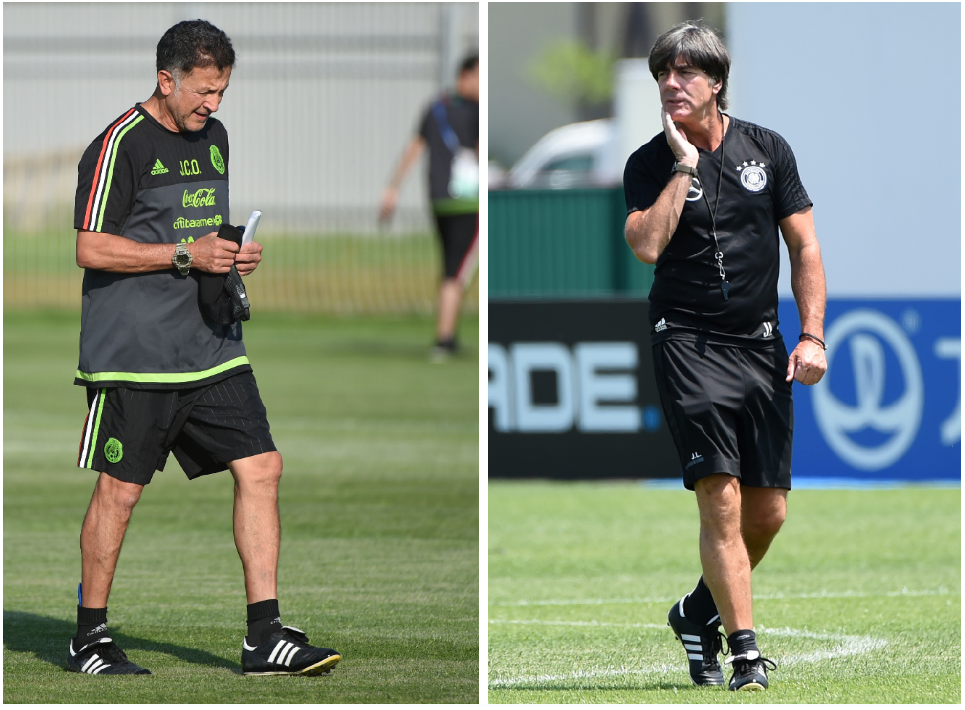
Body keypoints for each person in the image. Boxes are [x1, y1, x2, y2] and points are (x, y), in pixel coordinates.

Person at [70, 19, 340, 677]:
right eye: (204, 90)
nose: (213, 105)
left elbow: (194, 229)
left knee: (263, 467)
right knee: (120, 493)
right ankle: (89, 637)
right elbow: (90, 246)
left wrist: (228, 254)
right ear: (167, 79)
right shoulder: (117, 146)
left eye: (221, 91)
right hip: (133, 355)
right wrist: (186, 253)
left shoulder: (214, 138)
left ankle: (263, 635)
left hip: (212, 346)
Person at [623, 21, 827, 691]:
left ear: (715, 83)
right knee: (722, 498)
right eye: (662, 74)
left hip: (761, 345)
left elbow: (804, 248)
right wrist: (683, 166)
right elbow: (646, 246)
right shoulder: (649, 161)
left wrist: (811, 334)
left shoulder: (767, 149)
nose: (670, 85)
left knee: (768, 515)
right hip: (685, 341)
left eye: (684, 74)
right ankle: (743, 652)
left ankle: (694, 613)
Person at [379, 54, 479, 361]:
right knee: (457, 271)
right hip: (467, 201)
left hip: (439, 199)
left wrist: (393, 188)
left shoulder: (435, 107)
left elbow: (415, 146)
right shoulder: (475, 111)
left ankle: (448, 332)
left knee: (451, 266)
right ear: (465, 75)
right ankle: (445, 338)